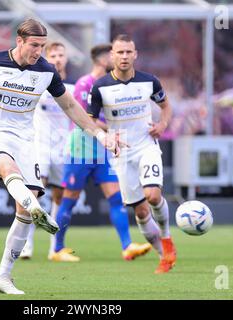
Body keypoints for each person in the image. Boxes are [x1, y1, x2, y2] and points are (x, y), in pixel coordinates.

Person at [0, 18, 124, 295]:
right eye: (34, 45)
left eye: (42, 46)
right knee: (9, 170)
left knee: (25, 208)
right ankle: (33, 205)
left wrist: (101, 135)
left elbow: (70, 105)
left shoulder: (45, 71)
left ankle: (3, 276)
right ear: (19, 41)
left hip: (25, 138)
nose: (38, 51)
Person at [51, 44, 151, 262]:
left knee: (116, 197)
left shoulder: (111, 85)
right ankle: (57, 249)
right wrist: (113, 130)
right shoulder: (84, 84)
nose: (118, 58)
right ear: (101, 59)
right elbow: (86, 119)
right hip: (81, 148)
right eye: (112, 55)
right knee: (69, 199)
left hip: (103, 149)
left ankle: (127, 246)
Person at [87, 34, 177, 274]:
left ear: (135, 55)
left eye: (129, 52)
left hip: (146, 146)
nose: (124, 57)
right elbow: (89, 120)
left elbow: (166, 106)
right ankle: (163, 256)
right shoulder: (101, 87)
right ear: (112, 56)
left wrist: (162, 125)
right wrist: (106, 134)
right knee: (139, 210)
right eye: (120, 52)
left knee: (154, 196)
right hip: (121, 154)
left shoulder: (149, 82)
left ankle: (167, 241)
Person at [20, 41, 75, 259]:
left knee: (60, 198)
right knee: (35, 193)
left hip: (64, 148)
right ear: (47, 58)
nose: (57, 59)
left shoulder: (71, 88)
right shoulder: (37, 83)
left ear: (66, 59)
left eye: (61, 55)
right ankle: (27, 245)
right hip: (40, 146)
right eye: (53, 56)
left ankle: (55, 247)